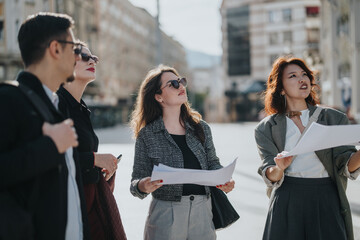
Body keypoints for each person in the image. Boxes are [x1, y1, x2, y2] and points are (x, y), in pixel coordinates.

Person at [0, 12, 90, 239]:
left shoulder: (57, 105)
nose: (77, 57)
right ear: (56, 49)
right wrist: (50, 146)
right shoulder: (9, 100)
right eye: (74, 48)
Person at [255, 56, 360, 240]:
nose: (301, 79)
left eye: (304, 74)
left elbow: (346, 165)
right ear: (280, 88)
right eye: (293, 76)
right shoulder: (266, 128)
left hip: (326, 198)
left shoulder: (334, 118)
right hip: (287, 200)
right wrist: (279, 167)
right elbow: (268, 173)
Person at [130, 65, 235, 240]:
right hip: (165, 214)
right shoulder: (147, 134)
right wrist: (144, 185)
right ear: (158, 97)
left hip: (203, 212)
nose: (181, 86)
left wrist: (224, 179)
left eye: (181, 81)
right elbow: (135, 182)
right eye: (173, 84)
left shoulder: (201, 128)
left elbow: (213, 163)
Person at [58, 43, 127, 240]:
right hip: (68, 209)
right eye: (83, 56)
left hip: (86, 205)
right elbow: (52, 158)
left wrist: (102, 167)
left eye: (93, 57)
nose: (92, 61)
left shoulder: (80, 107)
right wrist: (94, 160)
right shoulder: (58, 103)